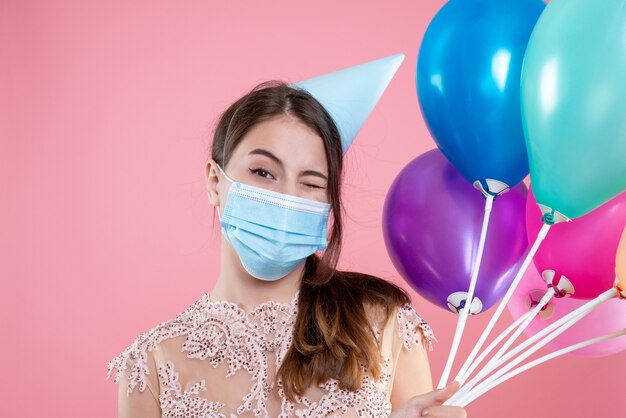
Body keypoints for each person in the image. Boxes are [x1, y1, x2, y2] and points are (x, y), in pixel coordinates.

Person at [106, 57, 468, 418]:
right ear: (215, 182)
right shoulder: (151, 364)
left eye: (311, 183)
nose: (286, 198)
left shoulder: (382, 323)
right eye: (263, 172)